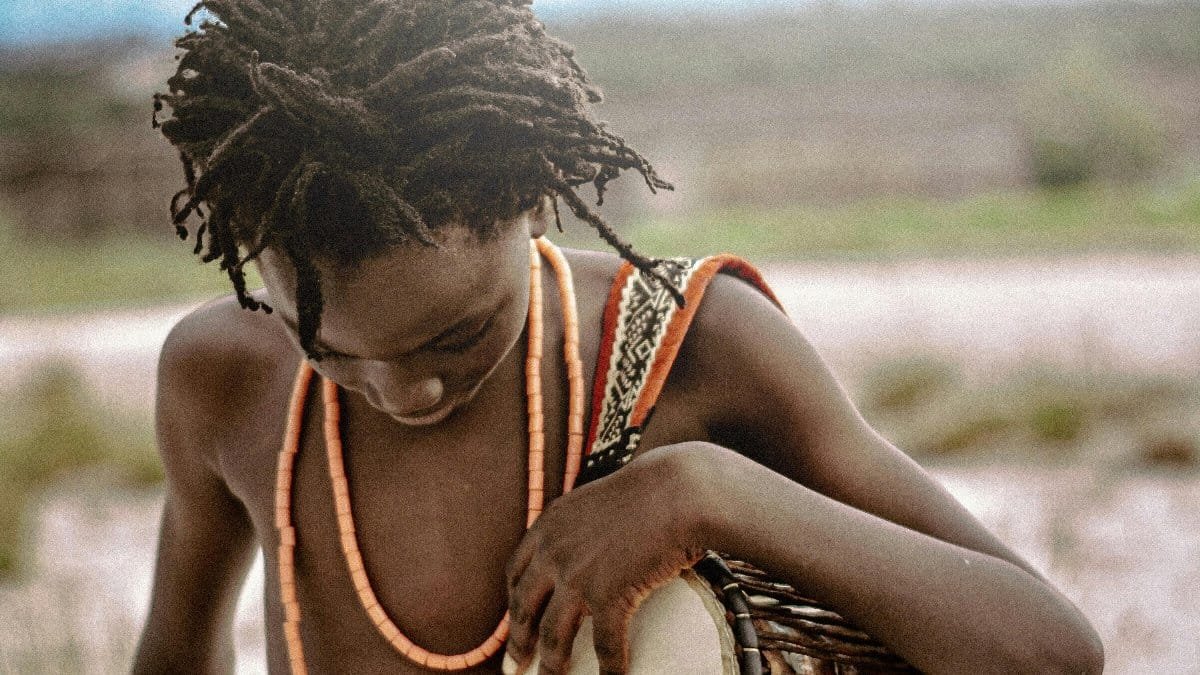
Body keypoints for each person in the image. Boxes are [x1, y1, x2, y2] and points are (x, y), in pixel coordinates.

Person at [133, 1, 1104, 673]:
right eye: (334, 350)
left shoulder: (697, 347)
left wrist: (707, 493)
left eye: (455, 334)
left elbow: (1048, 651)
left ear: (537, 199)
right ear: (253, 255)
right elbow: (178, 660)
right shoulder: (225, 383)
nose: (406, 393)